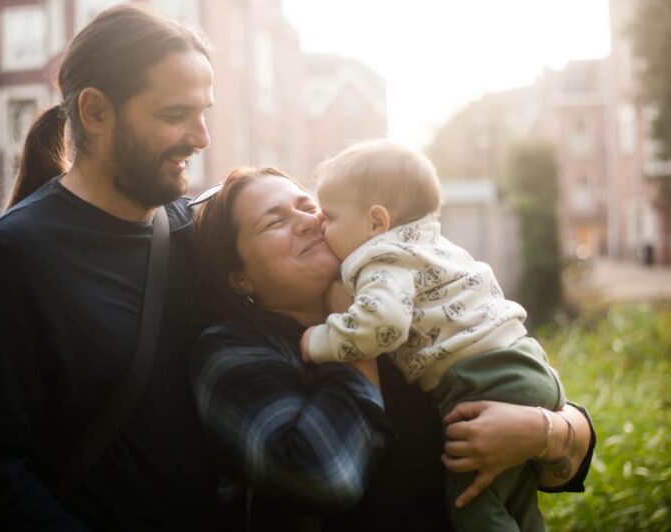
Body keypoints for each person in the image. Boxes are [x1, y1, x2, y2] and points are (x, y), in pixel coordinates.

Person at [0, 5, 229, 530]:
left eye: (203, 111)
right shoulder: (8, 257)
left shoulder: (189, 232)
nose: (201, 136)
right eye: (175, 115)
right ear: (96, 112)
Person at [190, 166, 595, 531]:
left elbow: (559, 435)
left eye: (308, 206)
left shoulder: (404, 301)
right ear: (238, 277)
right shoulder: (232, 352)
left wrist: (543, 433)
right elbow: (324, 476)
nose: (307, 222)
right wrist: (356, 332)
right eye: (274, 221)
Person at [299, 138, 566, 530]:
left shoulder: (381, 257)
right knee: (518, 503)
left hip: (482, 383)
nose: (319, 225)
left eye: (329, 216)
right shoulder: (431, 245)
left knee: (472, 507)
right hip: (526, 365)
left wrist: (316, 341)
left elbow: (383, 327)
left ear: (376, 222)